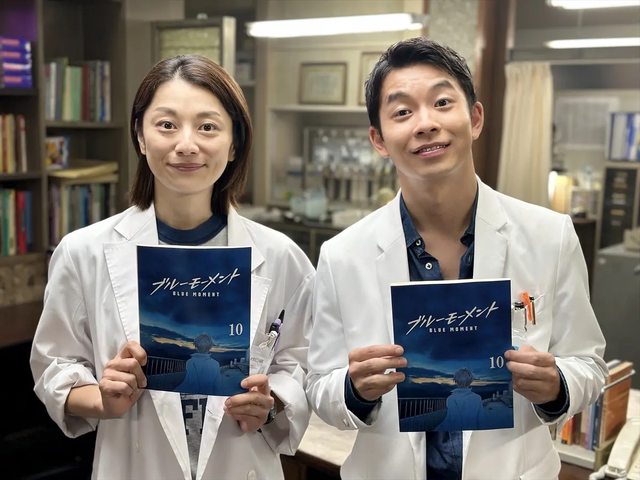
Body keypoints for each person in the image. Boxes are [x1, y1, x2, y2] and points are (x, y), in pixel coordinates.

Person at [305, 37, 607, 480]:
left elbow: (589, 364)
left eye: (442, 102)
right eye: (402, 112)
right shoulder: (342, 255)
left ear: (475, 118)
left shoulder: (549, 236)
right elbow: (319, 384)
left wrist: (557, 385)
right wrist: (353, 389)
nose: (426, 124)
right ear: (378, 139)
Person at [30, 54, 315, 480]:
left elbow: (303, 365)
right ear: (140, 137)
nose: (186, 144)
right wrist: (102, 398)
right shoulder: (82, 252)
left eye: (208, 127)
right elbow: (54, 365)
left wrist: (271, 403)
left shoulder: (282, 257)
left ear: (234, 144)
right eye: (166, 124)